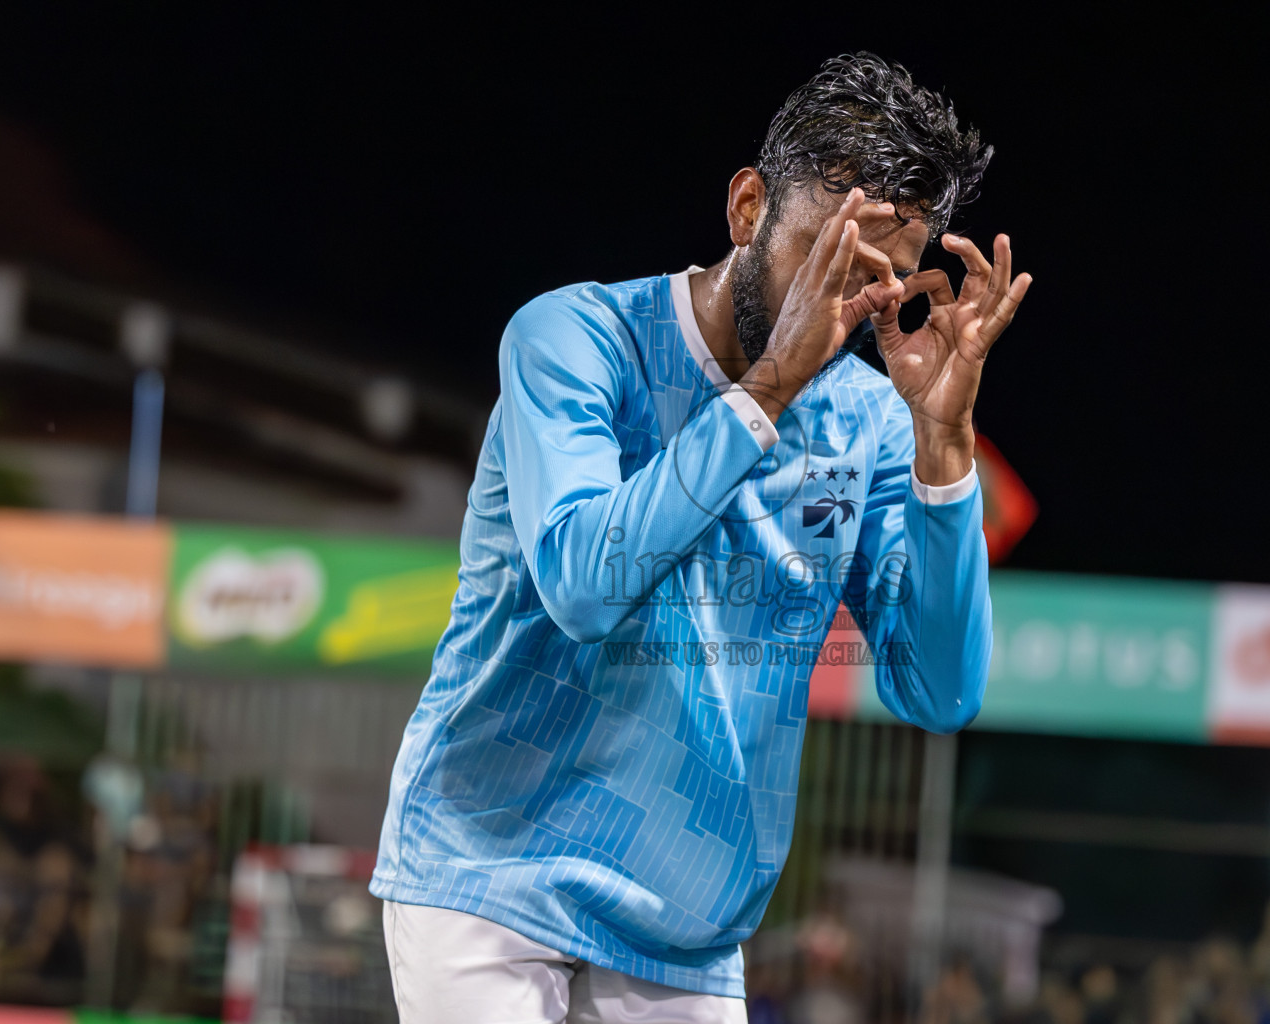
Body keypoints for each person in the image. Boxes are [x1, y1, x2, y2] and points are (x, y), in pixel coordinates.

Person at [372, 51, 1032, 1023]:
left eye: (882, 281)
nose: (850, 304)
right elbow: (587, 582)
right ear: (748, 207)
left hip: (687, 922)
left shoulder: (873, 421)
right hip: (489, 868)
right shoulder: (576, 339)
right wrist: (767, 391)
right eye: (827, 257)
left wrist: (941, 442)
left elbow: (941, 689)